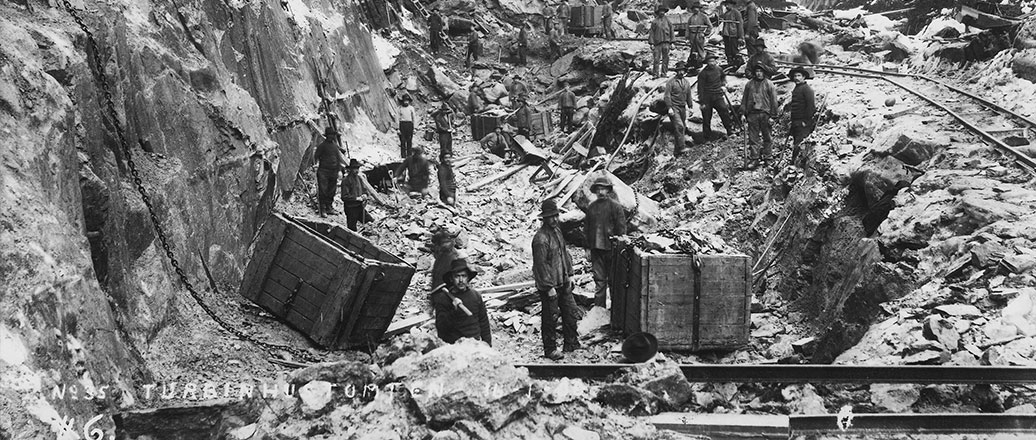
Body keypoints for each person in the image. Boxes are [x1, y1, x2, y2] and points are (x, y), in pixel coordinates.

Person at [532, 198, 579, 360]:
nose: (554, 219)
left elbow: (565, 254)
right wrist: (548, 287)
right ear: (544, 218)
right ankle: (550, 349)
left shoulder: (557, 232)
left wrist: (570, 274)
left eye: (555, 216)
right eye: (550, 217)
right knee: (550, 318)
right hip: (550, 286)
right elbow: (540, 265)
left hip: (563, 281)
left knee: (570, 313)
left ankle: (571, 343)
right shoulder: (540, 239)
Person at [583, 176, 627, 308]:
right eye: (598, 189)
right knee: (600, 282)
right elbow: (587, 229)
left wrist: (620, 248)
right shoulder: (591, 207)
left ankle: (616, 314)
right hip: (596, 250)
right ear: (595, 191)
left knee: (614, 282)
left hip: (612, 250)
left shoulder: (616, 207)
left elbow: (621, 229)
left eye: (603, 189)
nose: (601, 192)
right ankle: (599, 312)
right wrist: (587, 249)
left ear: (608, 190)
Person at [431, 259, 492, 345]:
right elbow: (441, 328)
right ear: (451, 279)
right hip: (455, 346)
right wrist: (454, 310)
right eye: (457, 276)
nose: (461, 280)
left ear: (468, 278)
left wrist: (487, 344)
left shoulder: (475, 296)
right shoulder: (443, 299)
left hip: (475, 343)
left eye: (464, 276)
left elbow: (483, 322)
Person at [741, 65, 778, 169]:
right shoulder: (749, 84)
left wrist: (773, 116)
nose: (758, 73)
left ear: (764, 72)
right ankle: (754, 158)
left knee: (767, 137)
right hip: (752, 114)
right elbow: (744, 99)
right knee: (753, 138)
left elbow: (774, 101)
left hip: (765, 114)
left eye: (760, 71)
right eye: (757, 71)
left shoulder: (769, 84)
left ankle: (768, 158)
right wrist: (743, 113)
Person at [697, 54, 737, 139]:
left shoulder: (719, 69)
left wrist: (723, 85)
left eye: (713, 61)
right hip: (707, 97)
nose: (712, 63)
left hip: (718, 95)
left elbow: (723, 77)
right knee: (707, 117)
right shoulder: (703, 73)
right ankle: (707, 136)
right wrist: (702, 102)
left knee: (724, 111)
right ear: (707, 63)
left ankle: (729, 130)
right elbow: (700, 88)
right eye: (710, 61)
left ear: (715, 61)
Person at [786, 66, 816, 167]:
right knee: (796, 142)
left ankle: (796, 164)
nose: (796, 78)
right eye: (795, 76)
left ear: (804, 77)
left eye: (799, 75)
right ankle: (794, 162)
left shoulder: (807, 89)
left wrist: (806, 121)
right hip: (796, 121)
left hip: (802, 122)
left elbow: (811, 107)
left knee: (800, 144)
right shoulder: (797, 88)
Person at [314, 127, 346, 217]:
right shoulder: (322, 146)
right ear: (327, 136)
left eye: (333, 135)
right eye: (330, 135)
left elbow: (338, 159)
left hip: (333, 171)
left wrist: (340, 170)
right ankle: (322, 209)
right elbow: (315, 156)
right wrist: (315, 165)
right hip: (323, 171)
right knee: (323, 190)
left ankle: (329, 207)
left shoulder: (335, 146)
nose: (331, 137)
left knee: (332, 190)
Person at [664, 61, 694, 156]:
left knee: (682, 127)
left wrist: (690, 106)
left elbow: (689, 95)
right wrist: (669, 108)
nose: (681, 72)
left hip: (683, 108)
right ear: (676, 71)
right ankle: (682, 147)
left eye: (683, 71)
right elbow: (667, 96)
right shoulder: (671, 82)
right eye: (679, 71)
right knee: (679, 126)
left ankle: (677, 152)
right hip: (674, 107)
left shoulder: (686, 82)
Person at [685, 1, 713, 71]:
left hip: (700, 34)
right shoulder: (691, 18)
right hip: (692, 35)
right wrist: (687, 37)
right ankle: (695, 63)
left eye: (697, 8)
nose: (695, 9)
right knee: (693, 49)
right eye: (694, 8)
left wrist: (705, 33)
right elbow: (688, 28)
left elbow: (710, 26)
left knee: (700, 49)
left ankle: (701, 62)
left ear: (699, 9)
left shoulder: (704, 16)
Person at [647, 8, 674, 77]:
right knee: (656, 59)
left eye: (663, 11)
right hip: (657, 43)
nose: (662, 12)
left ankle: (664, 73)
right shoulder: (654, 22)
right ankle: (655, 74)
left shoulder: (668, 21)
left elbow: (672, 31)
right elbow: (652, 33)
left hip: (666, 43)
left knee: (666, 59)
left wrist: (672, 42)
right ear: (658, 12)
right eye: (660, 11)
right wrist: (651, 43)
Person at [719, 0, 744, 67]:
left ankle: (737, 63)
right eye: (726, 5)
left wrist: (741, 37)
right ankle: (730, 62)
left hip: (733, 34)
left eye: (728, 4)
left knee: (734, 50)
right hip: (726, 34)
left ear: (732, 5)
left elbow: (740, 25)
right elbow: (722, 21)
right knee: (727, 50)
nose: (727, 6)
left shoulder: (736, 13)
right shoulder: (726, 13)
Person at [398, 94, 416, 159]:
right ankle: (403, 156)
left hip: (409, 125)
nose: (406, 102)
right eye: (405, 100)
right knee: (402, 141)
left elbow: (414, 118)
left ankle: (409, 156)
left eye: (407, 101)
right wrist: (398, 128)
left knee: (409, 140)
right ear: (402, 101)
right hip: (402, 125)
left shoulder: (411, 108)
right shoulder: (399, 108)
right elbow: (397, 118)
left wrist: (414, 128)